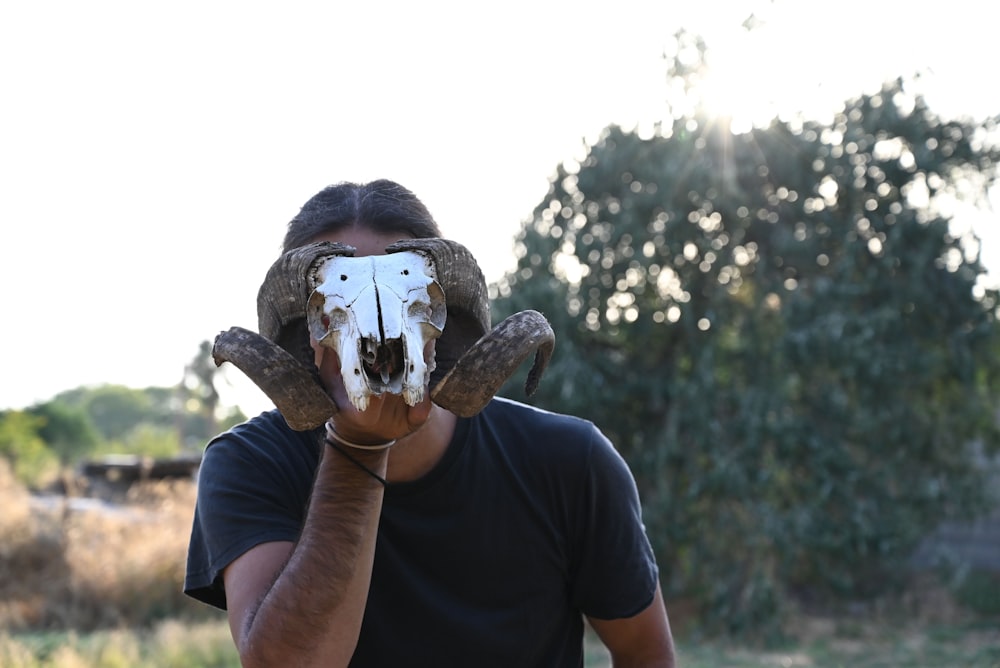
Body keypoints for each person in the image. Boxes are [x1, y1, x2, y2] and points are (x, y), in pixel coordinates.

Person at [184, 179, 676, 667]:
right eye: (339, 301)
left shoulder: (568, 461)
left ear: (440, 317)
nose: (378, 325)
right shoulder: (249, 463)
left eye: (404, 296)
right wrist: (358, 447)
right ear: (308, 333)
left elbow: (646, 655)